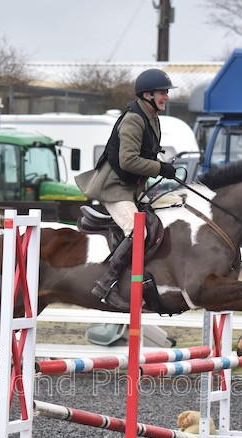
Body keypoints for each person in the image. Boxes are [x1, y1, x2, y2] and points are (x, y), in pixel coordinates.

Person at [75, 68, 178, 310]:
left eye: (166, 92)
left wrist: (160, 164)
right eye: (163, 92)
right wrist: (160, 168)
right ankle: (106, 285)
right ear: (148, 94)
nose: (167, 97)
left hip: (130, 187)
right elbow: (128, 161)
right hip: (114, 187)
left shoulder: (150, 116)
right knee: (137, 230)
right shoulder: (134, 118)